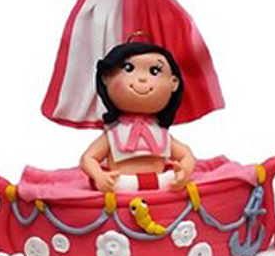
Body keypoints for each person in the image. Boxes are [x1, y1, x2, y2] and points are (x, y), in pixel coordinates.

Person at [80, 41, 196, 193]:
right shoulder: (114, 134)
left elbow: (186, 155)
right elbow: (88, 158)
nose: (142, 78)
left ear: (174, 83)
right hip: (122, 186)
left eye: (154, 71)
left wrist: (185, 171)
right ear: (106, 78)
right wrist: (99, 176)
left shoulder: (161, 133)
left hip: (161, 185)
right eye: (129, 69)